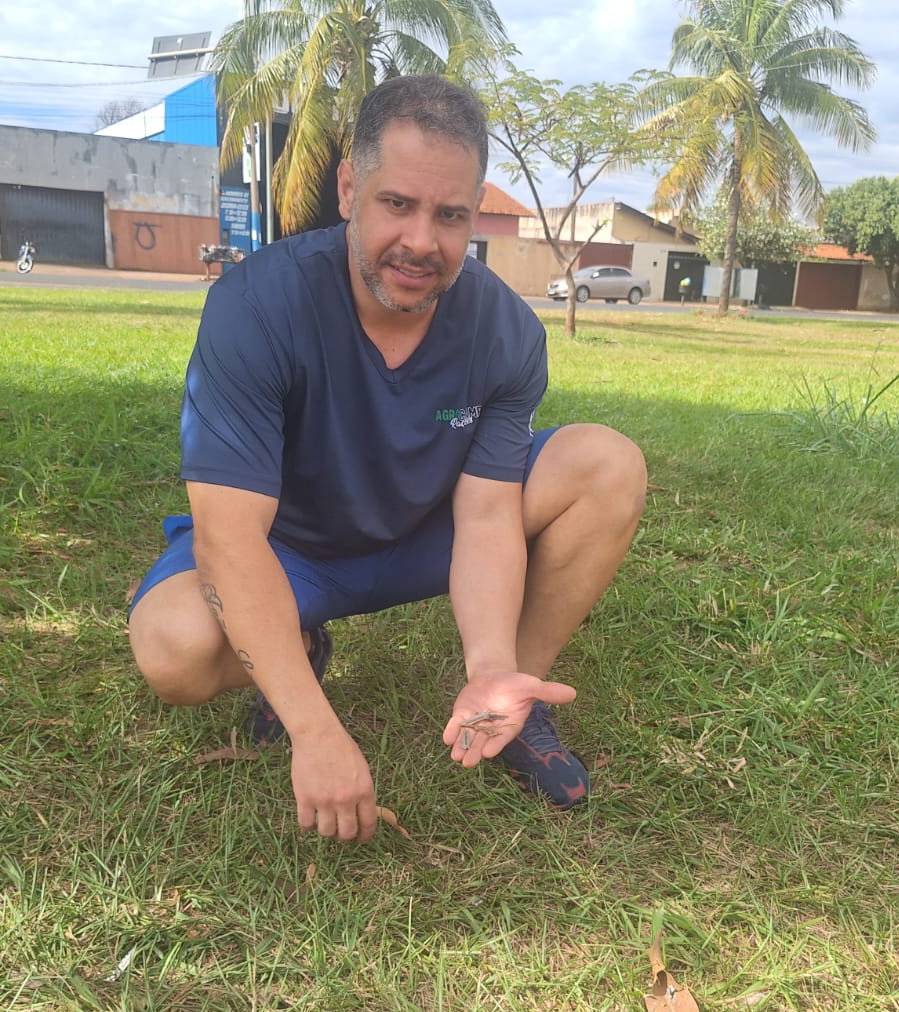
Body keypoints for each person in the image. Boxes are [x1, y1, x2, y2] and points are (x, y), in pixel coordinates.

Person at [127, 75, 647, 844]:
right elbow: (229, 540)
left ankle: (510, 700)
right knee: (171, 649)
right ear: (349, 189)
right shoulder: (256, 307)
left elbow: (485, 515)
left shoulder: (505, 331)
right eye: (397, 204)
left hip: (422, 534)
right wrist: (315, 728)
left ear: (473, 217)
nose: (421, 243)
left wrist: (489, 661)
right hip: (290, 553)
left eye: (450, 216)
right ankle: (295, 655)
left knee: (607, 462)